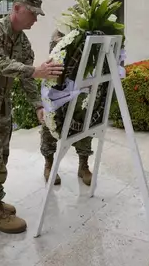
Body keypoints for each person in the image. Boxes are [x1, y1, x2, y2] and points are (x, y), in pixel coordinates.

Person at [0, 0, 63, 234]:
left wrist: (38, 105)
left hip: (1, 107)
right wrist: (35, 71)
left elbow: (28, 78)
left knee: (0, 155)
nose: (35, 21)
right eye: (32, 14)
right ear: (17, 8)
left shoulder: (22, 42)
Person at [40, 28, 93, 187]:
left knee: (84, 122)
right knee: (49, 125)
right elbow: (54, 55)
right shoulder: (60, 34)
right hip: (57, 85)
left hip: (79, 85)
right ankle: (49, 165)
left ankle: (83, 166)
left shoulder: (84, 35)